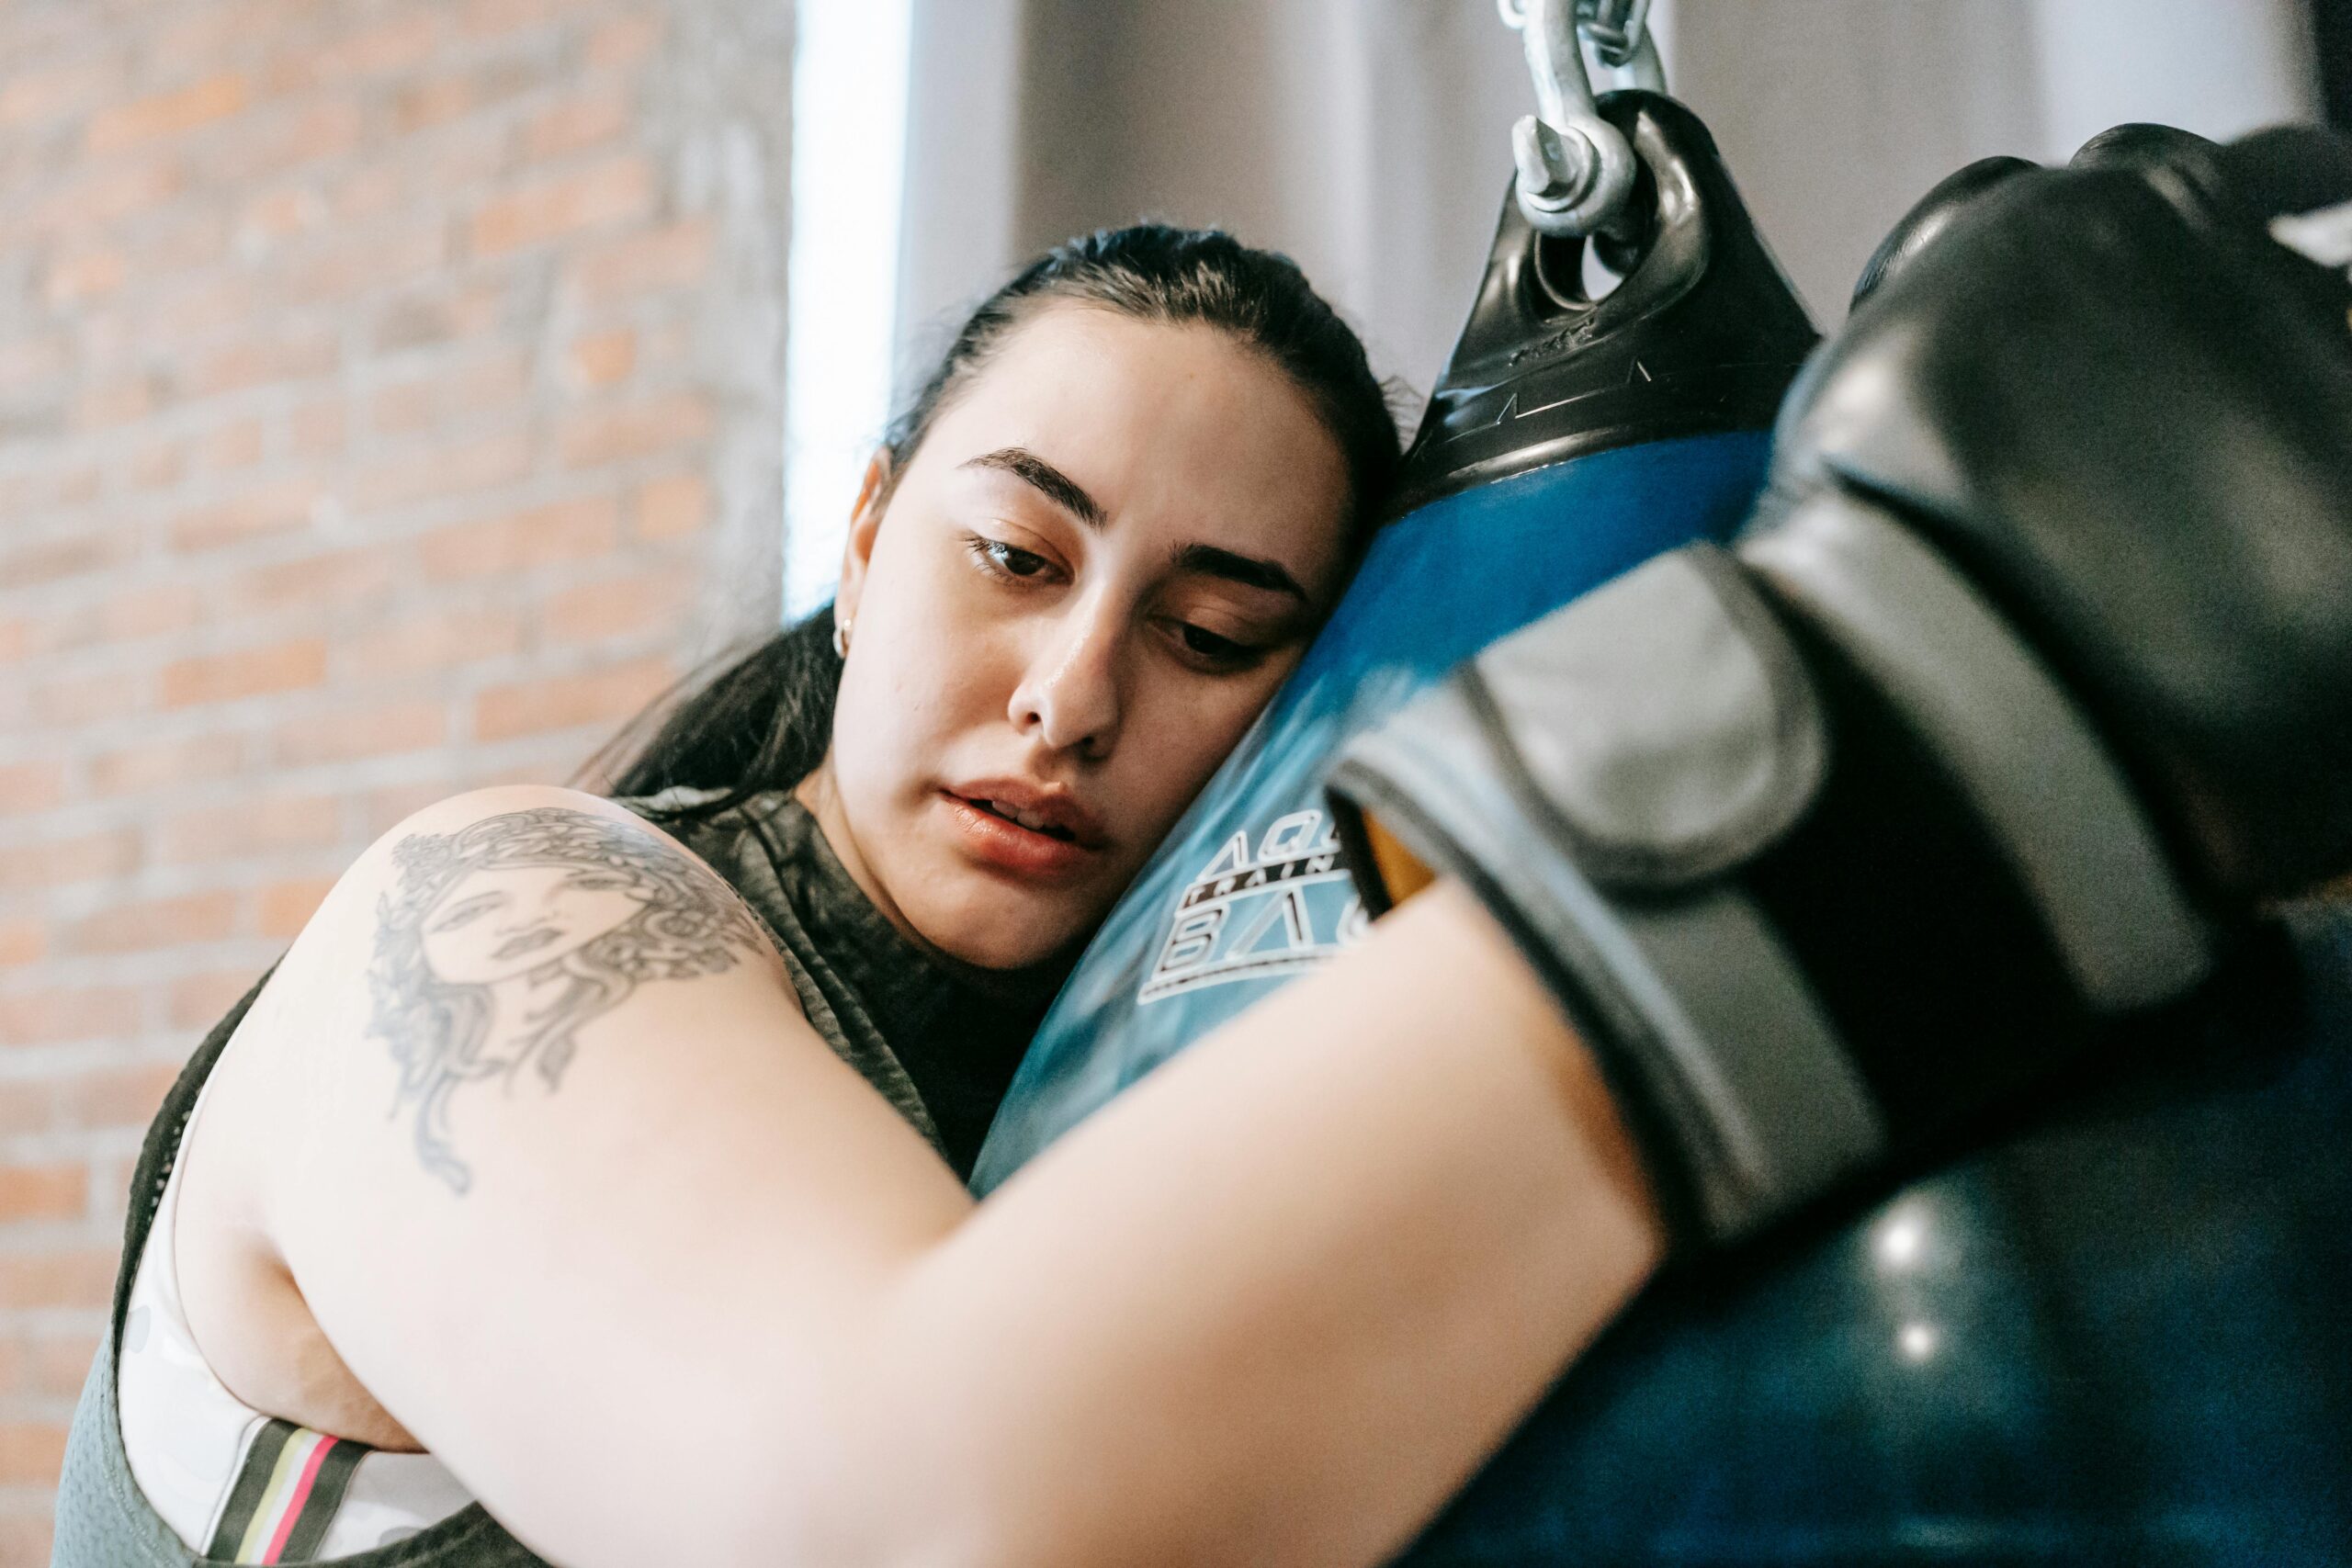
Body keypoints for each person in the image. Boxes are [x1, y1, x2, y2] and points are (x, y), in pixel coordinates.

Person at [60, 126, 2352, 1568]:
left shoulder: (1159, 1117)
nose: (1072, 693)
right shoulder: (492, 917)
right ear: (862, 542)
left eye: (1214, 630)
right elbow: (894, 1513)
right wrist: (1943, 680)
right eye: (1012, 553)